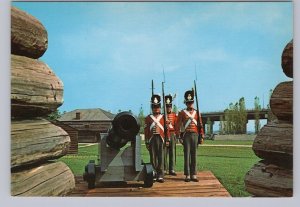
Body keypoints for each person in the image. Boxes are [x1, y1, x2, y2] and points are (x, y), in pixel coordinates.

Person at [175, 90, 204, 182]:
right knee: (187, 155)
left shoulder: (197, 112)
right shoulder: (182, 113)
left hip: (195, 135)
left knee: (194, 155)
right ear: (186, 103)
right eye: (188, 103)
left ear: (193, 102)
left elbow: (200, 125)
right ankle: (187, 174)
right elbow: (178, 125)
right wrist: (179, 136)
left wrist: (202, 136)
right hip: (186, 135)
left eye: (191, 103)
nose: (189, 104)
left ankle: (194, 174)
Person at [144, 94, 167, 183]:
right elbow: (146, 131)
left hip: (161, 139)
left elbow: (166, 129)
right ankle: (153, 173)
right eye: (154, 107)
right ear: (152, 108)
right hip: (152, 139)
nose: (156, 109)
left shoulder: (163, 117)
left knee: (161, 157)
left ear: (160, 108)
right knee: (153, 157)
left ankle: (160, 175)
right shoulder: (148, 118)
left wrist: (167, 139)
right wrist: (146, 141)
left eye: (157, 107)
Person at [164, 94, 177, 176]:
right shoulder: (162, 116)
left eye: (170, 106)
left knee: (172, 152)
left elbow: (176, 125)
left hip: (172, 134)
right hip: (165, 135)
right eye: (167, 106)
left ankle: (171, 169)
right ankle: (164, 169)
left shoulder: (174, 115)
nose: (168, 108)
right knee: (164, 152)